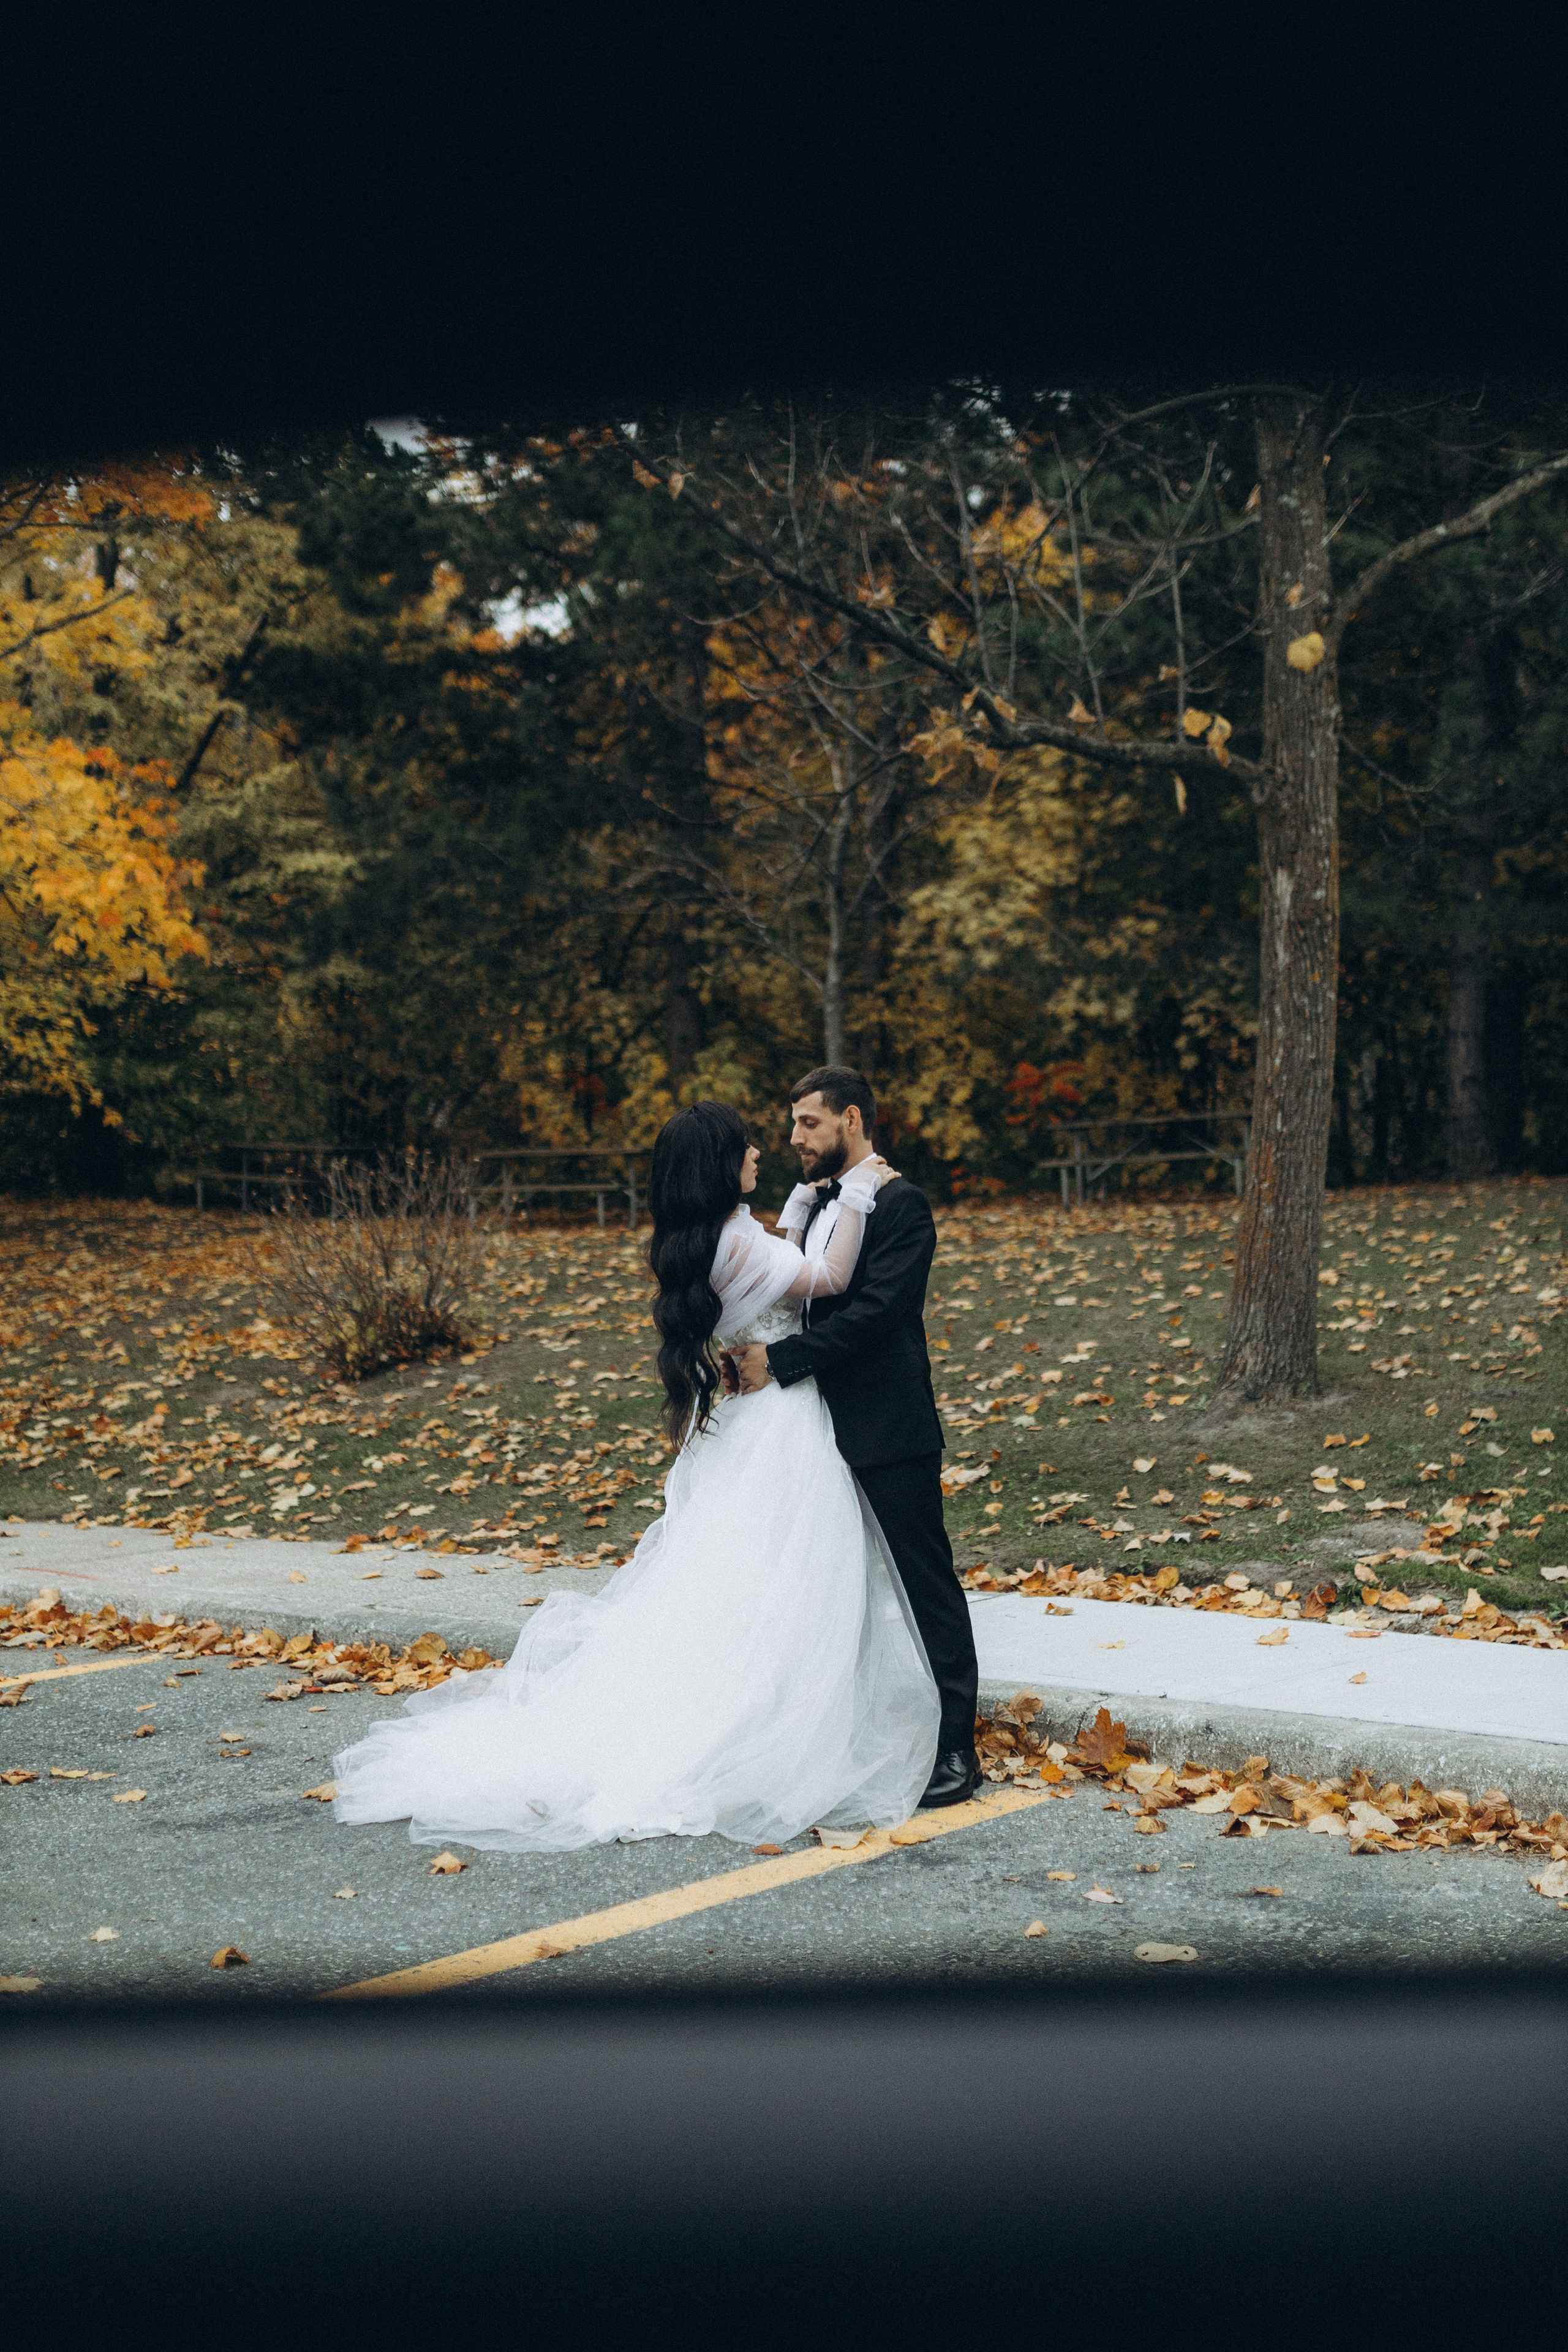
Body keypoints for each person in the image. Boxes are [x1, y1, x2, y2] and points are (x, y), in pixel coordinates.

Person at [330, 1100, 940, 1852]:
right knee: (782, 1585)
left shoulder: (710, 1240)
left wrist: (809, 1201)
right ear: (719, 1164)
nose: (762, 1149)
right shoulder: (737, 1244)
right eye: (746, 1145)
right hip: (782, 1428)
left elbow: (776, 1251)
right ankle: (765, 1725)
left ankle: (771, 1708)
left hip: (753, 1427)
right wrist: (855, 1192)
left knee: (746, 1587)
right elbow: (830, 1275)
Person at [731, 1068, 980, 1807]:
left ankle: (957, 1748)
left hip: (884, 1421)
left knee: (922, 1582)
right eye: (793, 1124)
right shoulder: (809, 1206)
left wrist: (777, 1362)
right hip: (806, 1429)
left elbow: (876, 1313)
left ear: (851, 1119)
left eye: (808, 1123)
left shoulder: (902, 1205)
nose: (794, 1138)